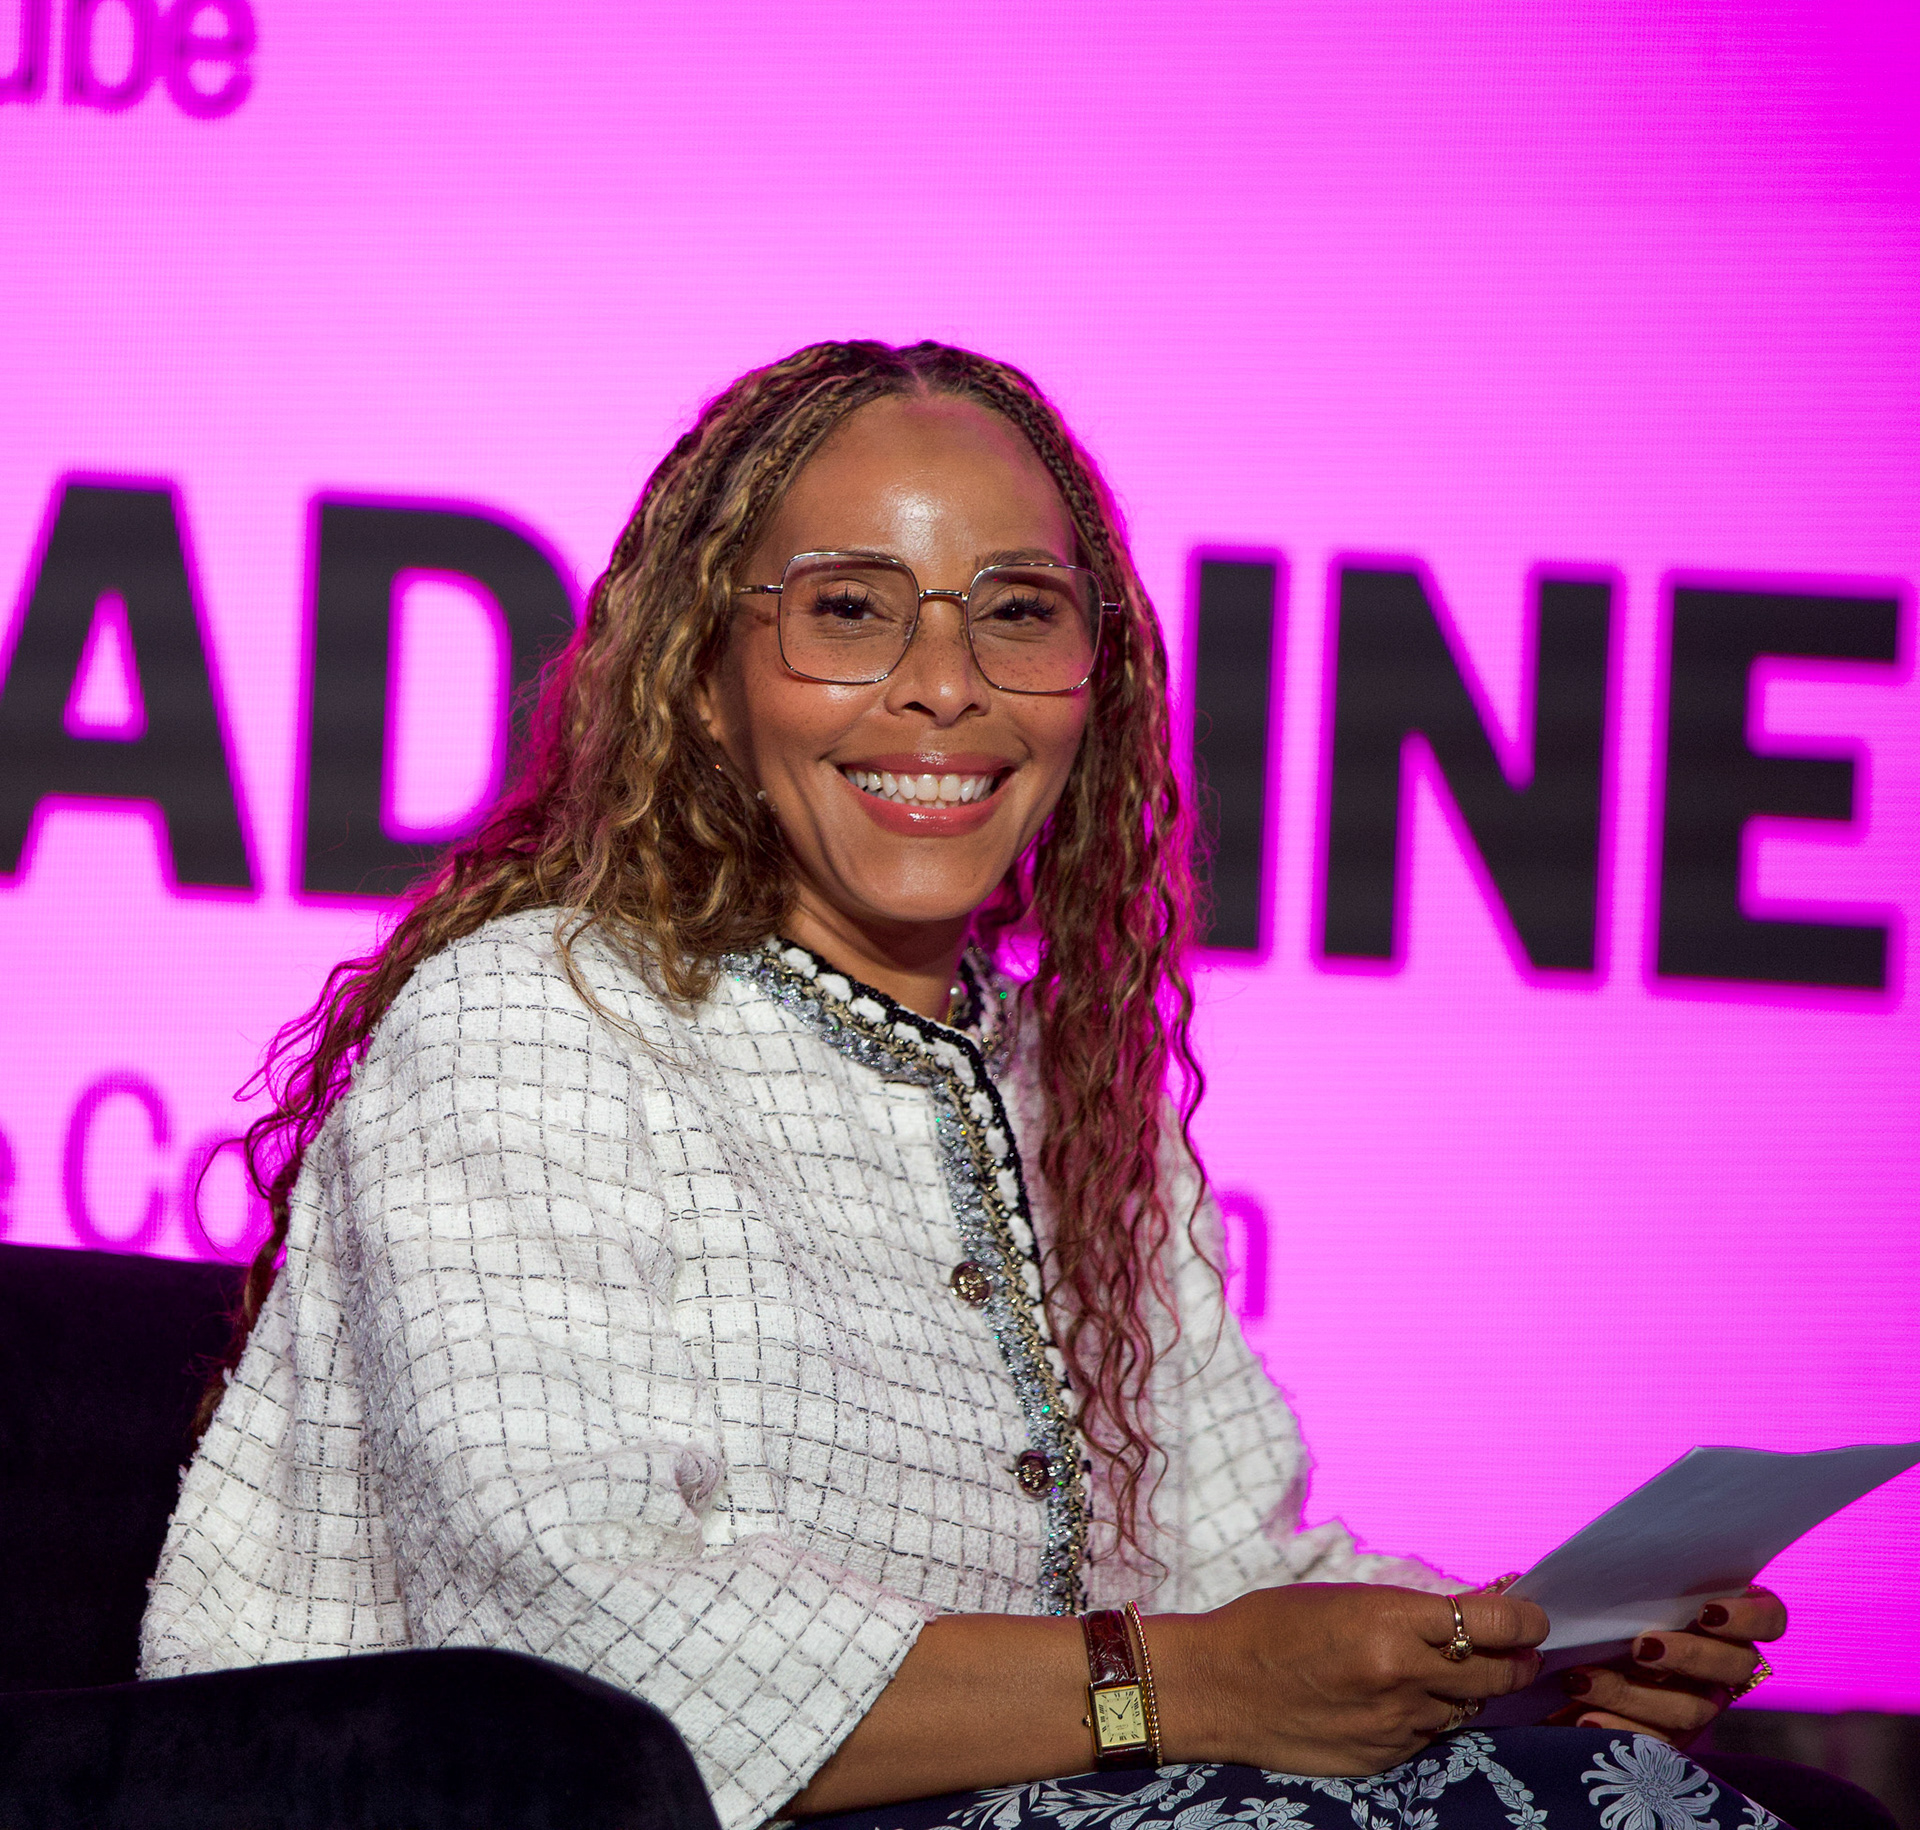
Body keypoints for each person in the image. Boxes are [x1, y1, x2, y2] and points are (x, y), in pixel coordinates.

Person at [142, 341, 1795, 1830]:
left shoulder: (1075, 1089)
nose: (947, 683)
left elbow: (1229, 1566)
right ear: (706, 677)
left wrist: (1517, 1647)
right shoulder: (537, 1016)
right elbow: (571, 1636)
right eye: (850, 607)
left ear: (1097, 680)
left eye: (1017, 610)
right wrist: (1187, 1685)